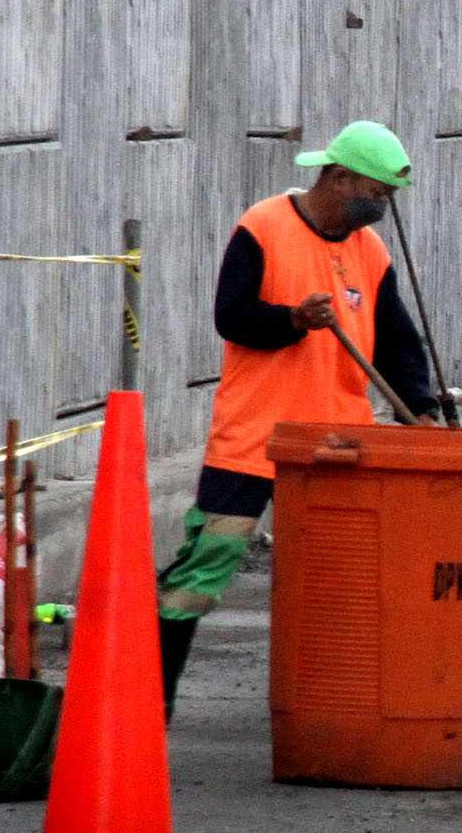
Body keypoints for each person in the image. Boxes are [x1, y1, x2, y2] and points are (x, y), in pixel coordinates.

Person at [156, 120, 435, 719]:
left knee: (338, 579)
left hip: (338, 440)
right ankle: (151, 701)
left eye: (387, 197)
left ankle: (326, 702)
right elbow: (231, 318)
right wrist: (290, 321)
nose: (381, 207)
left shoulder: (370, 252)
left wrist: (424, 412)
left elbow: (395, 340)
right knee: (201, 573)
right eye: (376, 192)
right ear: (338, 177)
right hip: (255, 438)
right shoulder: (263, 227)